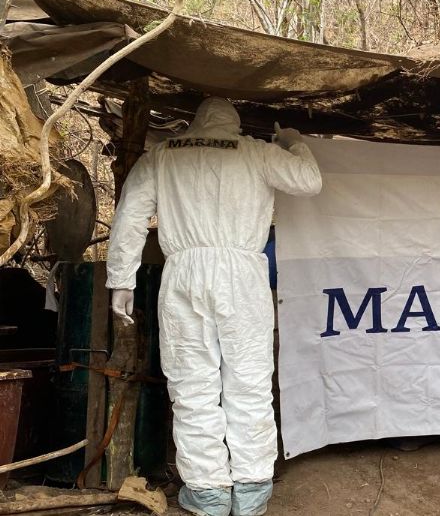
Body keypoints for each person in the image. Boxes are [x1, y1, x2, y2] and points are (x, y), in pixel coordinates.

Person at [106, 97, 323, 516]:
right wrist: (293, 140)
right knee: (249, 380)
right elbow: (309, 180)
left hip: (185, 272)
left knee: (192, 383)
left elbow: (130, 216)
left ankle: (207, 491)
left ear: (196, 121)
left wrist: (121, 279)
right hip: (242, 275)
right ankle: (252, 487)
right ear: (235, 123)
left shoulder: (162, 155)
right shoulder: (257, 152)